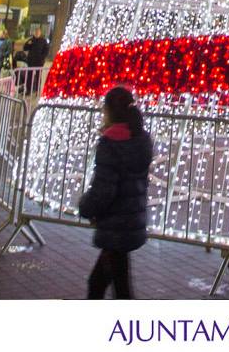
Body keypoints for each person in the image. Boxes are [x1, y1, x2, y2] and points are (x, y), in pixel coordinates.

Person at [77, 85, 154, 298]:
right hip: (132, 219)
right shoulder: (141, 139)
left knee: (100, 286)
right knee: (116, 285)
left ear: (110, 111)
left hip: (115, 223)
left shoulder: (111, 144)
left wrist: (86, 206)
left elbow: (104, 188)